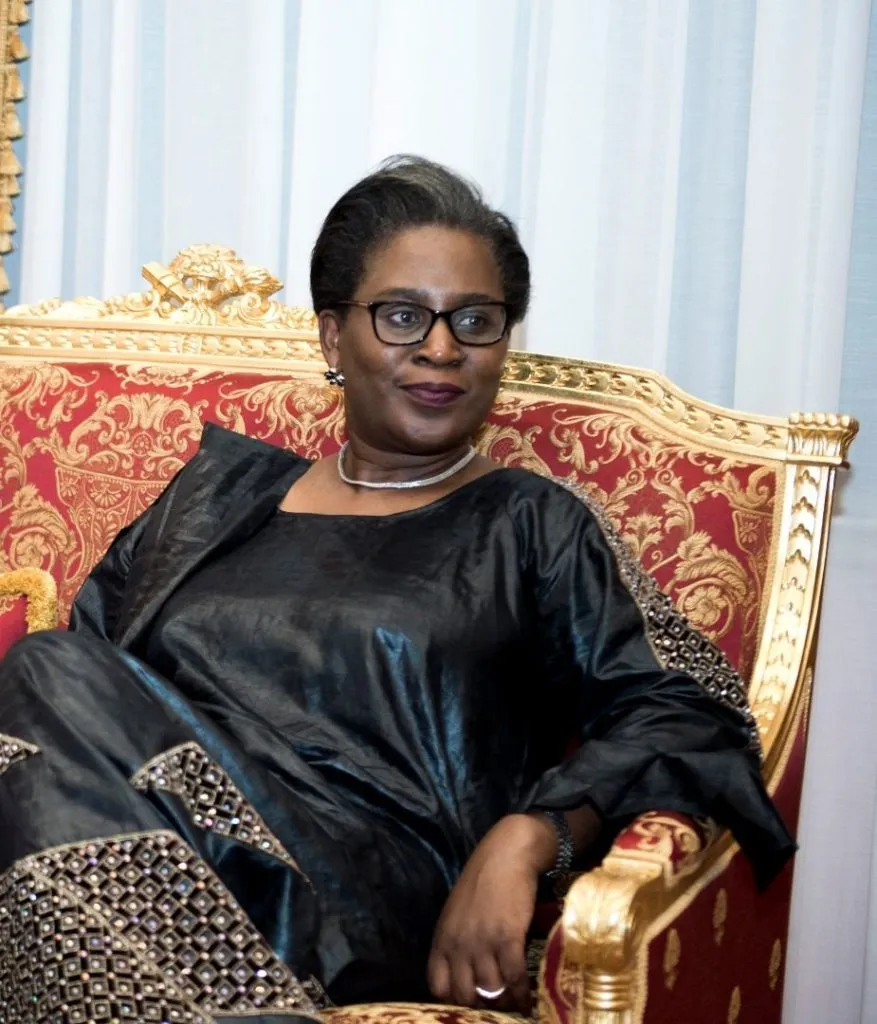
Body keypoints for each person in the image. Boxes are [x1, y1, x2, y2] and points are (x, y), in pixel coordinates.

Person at [0, 156, 793, 1022]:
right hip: (164, 854)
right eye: (403, 316)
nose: (442, 348)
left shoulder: (530, 522)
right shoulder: (213, 502)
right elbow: (90, 709)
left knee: (44, 668)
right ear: (332, 338)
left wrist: (528, 838)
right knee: (49, 687)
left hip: (371, 887)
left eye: (475, 321)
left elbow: (686, 709)